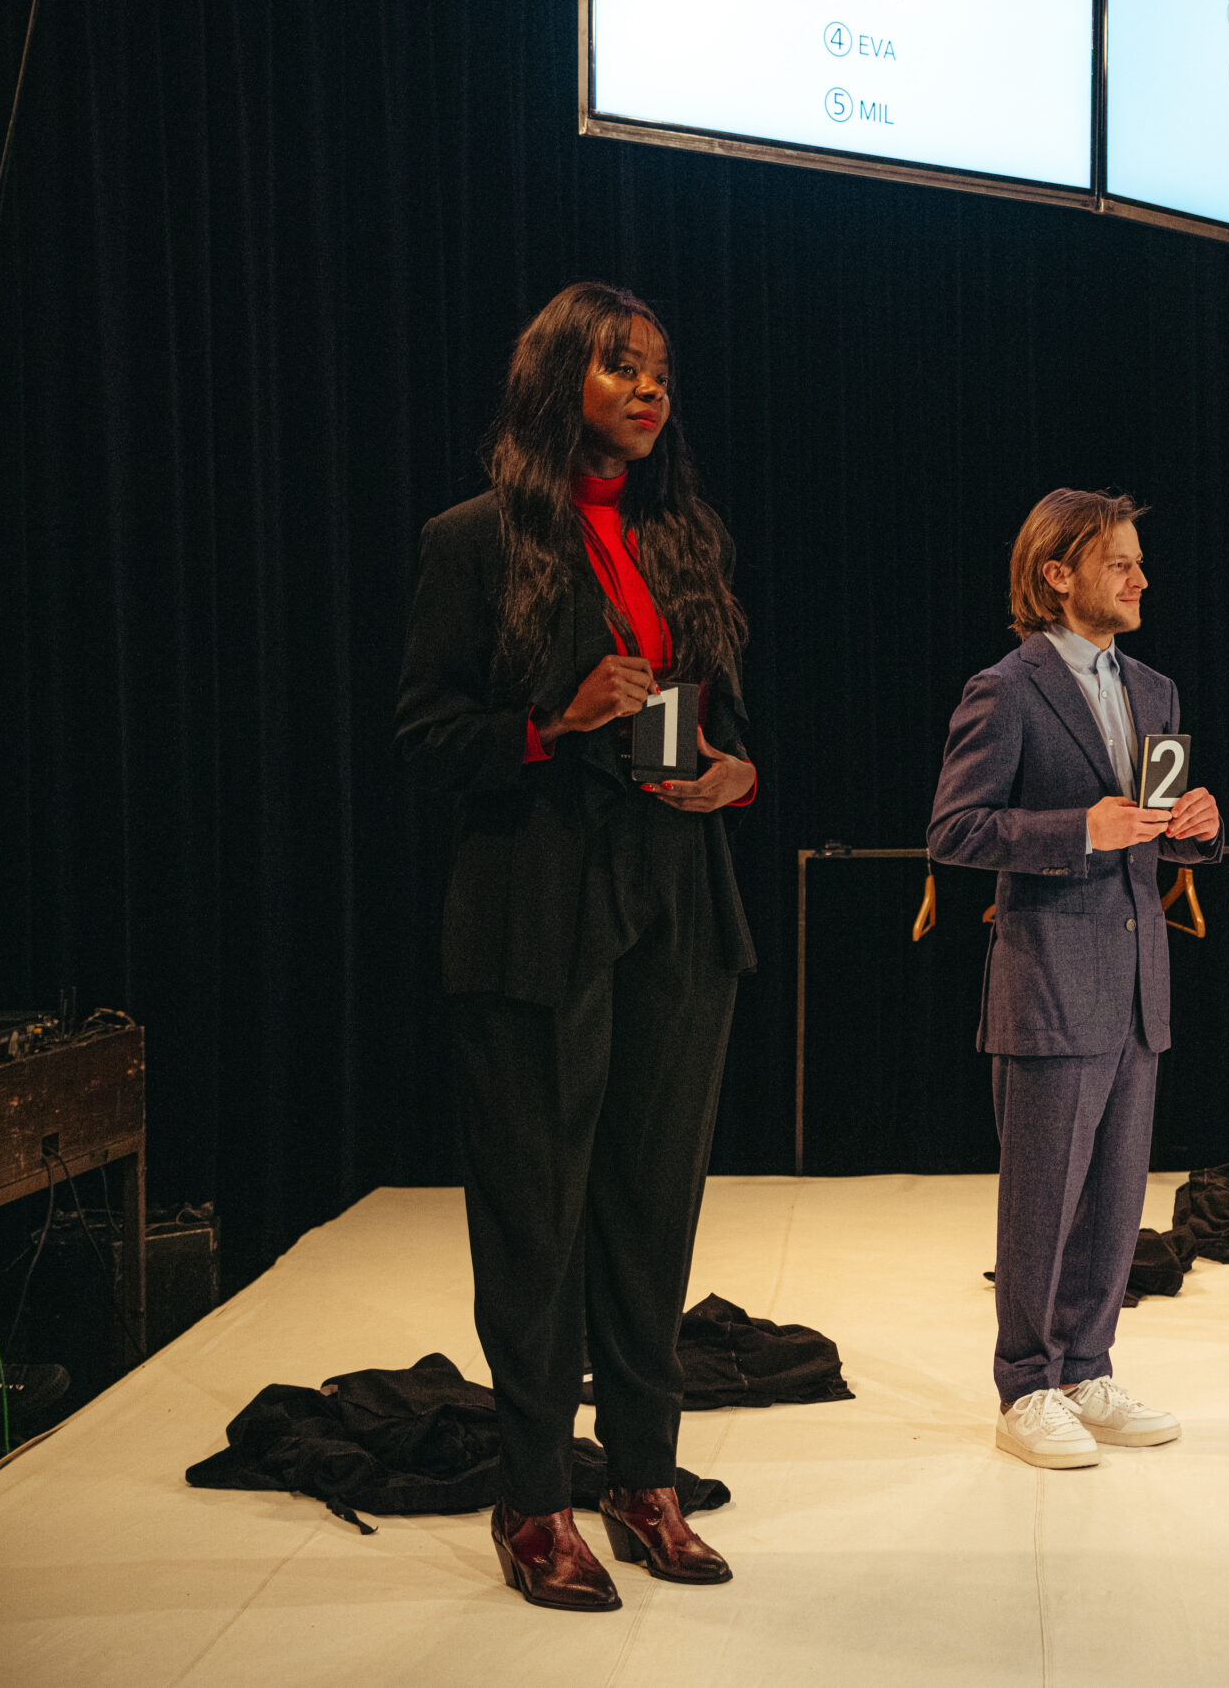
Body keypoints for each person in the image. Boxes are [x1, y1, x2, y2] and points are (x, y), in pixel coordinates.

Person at [396, 283, 756, 1611]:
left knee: (653, 1207)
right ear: (562, 382)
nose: (650, 388)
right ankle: (535, 1494)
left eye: (659, 369)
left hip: (675, 901)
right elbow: (424, 737)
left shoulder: (682, 540)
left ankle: (643, 1476)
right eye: (620, 366)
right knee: (537, 1220)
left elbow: (698, 723)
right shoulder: (472, 542)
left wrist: (724, 770)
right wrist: (551, 724)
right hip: (536, 911)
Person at [928, 489, 1224, 1468]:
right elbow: (954, 830)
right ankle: (1026, 1383)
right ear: (1058, 574)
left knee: (1115, 1199)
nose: (1141, 579)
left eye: (1138, 562)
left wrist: (1198, 828)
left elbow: (1158, 827)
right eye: (1118, 564)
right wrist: (1076, 830)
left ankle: (1087, 1366)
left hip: (1138, 984)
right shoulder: (1006, 688)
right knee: (1043, 1199)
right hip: (1049, 982)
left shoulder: (1154, 690)